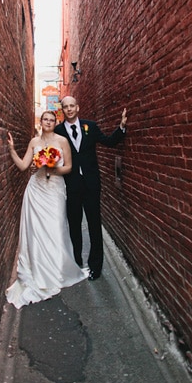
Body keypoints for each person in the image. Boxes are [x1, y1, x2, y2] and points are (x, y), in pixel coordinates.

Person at [5, 111, 88, 308]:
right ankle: (38, 270)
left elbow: (68, 167)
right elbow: (24, 166)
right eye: (45, 119)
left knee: (56, 228)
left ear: (55, 122)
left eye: (52, 120)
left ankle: (57, 269)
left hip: (55, 190)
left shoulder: (63, 141)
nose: (48, 122)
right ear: (41, 122)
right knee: (37, 231)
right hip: (36, 189)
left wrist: (52, 168)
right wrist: (11, 150)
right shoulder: (34, 142)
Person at [55, 96, 127, 280]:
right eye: (66, 107)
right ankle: (76, 261)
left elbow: (109, 142)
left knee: (94, 224)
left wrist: (121, 127)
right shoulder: (58, 131)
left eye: (72, 106)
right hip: (71, 184)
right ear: (62, 110)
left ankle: (96, 266)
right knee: (74, 224)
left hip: (91, 184)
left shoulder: (91, 126)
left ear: (77, 107)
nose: (69, 109)